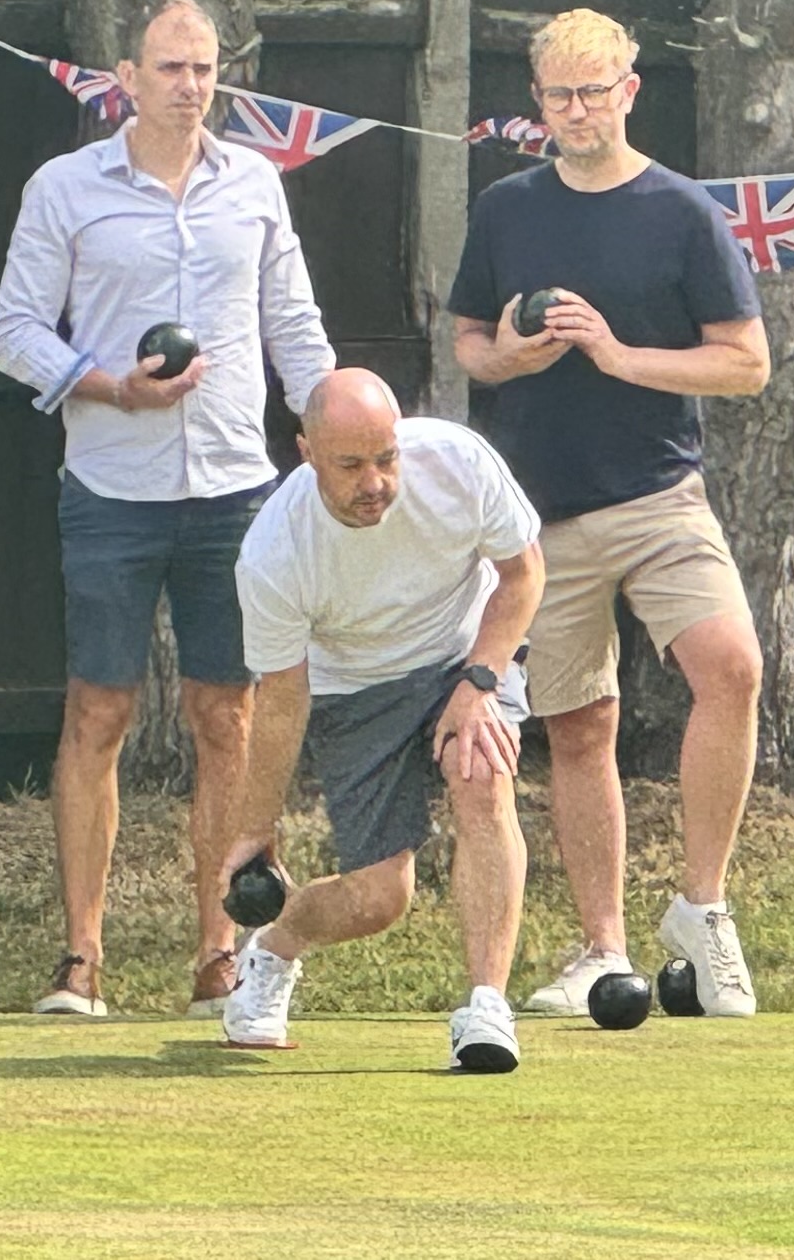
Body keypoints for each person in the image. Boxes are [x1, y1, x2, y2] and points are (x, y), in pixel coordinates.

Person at [0, 0, 336, 1019]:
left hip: (237, 487)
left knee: (226, 718)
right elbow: (15, 330)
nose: (189, 85)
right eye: (169, 67)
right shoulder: (66, 188)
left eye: (203, 68)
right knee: (98, 711)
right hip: (110, 484)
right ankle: (83, 958)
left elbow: (293, 325)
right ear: (126, 79)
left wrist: (331, 434)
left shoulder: (256, 187)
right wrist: (109, 385)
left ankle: (219, 950)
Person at [446, 7, 772, 1020]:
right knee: (580, 726)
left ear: (631, 91)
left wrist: (619, 355)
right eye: (556, 96)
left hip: (659, 492)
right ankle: (601, 947)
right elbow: (467, 343)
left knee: (733, 668)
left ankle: (703, 908)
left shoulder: (682, 213)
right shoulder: (506, 209)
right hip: (541, 513)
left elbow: (747, 364)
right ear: (536, 102)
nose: (575, 112)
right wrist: (513, 355)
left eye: (593, 92)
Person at [213, 371, 546, 1072]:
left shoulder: (457, 460)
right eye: (351, 465)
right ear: (306, 452)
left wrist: (481, 682)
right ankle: (274, 950)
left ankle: (486, 1007)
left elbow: (523, 574)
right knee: (378, 900)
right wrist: (255, 827)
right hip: (356, 688)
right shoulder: (275, 553)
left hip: (464, 654)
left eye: (386, 458)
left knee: (480, 773)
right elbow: (280, 697)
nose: (376, 482)